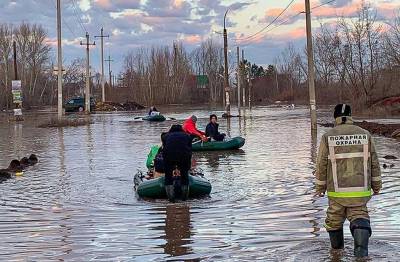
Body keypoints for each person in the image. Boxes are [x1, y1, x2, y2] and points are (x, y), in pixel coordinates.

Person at [315, 104, 382, 258]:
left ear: (335, 117)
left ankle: (337, 255)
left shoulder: (328, 136)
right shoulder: (365, 135)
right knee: (360, 218)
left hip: (337, 194)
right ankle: (361, 255)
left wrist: (319, 188)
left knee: (334, 222)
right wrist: (377, 186)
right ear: (351, 116)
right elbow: (374, 163)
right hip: (360, 193)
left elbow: (321, 164)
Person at [162, 124, 192, 202]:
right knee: (185, 176)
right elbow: (190, 149)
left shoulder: (165, 136)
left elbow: (164, 148)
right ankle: (184, 199)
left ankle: (171, 199)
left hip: (169, 157)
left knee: (168, 176)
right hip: (184, 157)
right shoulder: (187, 136)